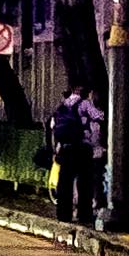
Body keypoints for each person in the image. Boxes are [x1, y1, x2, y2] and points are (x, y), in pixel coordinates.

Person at [50, 87, 95, 224]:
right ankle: (84, 215)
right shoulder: (86, 105)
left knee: (64, 183)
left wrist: (55, 149)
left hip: (65, 149)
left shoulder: (62, 107)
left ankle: (63, 215)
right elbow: (97, 120)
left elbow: (52, 127)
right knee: (85, 184)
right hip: (83, 149)